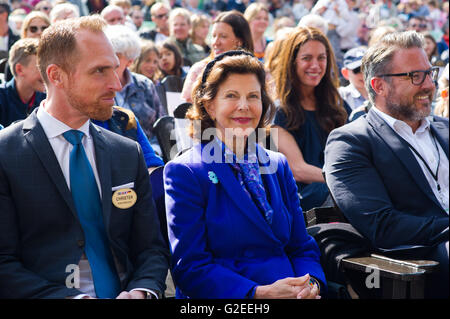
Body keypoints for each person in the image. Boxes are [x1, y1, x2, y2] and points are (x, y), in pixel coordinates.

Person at [0, 15, 169, 299]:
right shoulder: (7, 153)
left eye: (115, 69)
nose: (116, 84)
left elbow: (151, 249)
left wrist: (141, 291)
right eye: (99, 71)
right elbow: (4, 264)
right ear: (56, 76)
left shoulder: (127, 152)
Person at [164, 51, 326, 299]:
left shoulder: (278, 164)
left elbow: (301, 246)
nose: (244, 106)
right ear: (209, 105)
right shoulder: (185, 171)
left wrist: (311, 285)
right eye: (231, 96)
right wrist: (258, 294)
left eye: (253, 96)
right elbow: (190, 267)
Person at [323, 31, 448, 298]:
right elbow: (383, 226)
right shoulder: (351, 141)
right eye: (415, 76)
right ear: (379, 86)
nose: (428, 85)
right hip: (420, 263)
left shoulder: (445, 129)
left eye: (430, 73)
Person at [272, 27, 347, 212]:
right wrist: (344, 179)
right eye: (307, 58)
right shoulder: (279, 111)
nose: (315, 65)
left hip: (338, 187)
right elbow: (298, 170)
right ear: (292, 63)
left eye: (321, 58)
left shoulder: (336, 105)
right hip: (304, 198)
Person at [104, 24, 166, 147]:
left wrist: (155, 152)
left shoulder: (145, 85)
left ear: (130, 61)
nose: (110, 59)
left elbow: (161, 125)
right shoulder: (98, 86)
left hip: (148, 152)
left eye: (116, 55)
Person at [181, 10, 253, 102]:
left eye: (223, 36)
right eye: (213, 36)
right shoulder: (199, 70)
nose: (215, 42)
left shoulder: (257, 72)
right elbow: (185, 110)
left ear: (239, 41)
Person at [0, 38, 45, 128]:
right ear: (19, 69)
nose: (46, 73)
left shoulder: (45, 100)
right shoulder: (2, 97)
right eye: (40, 67)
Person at [338, 46, 368, 113]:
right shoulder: (341, 95)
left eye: (367, 68)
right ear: (345, 73)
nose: (364, 74)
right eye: (357, 70)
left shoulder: (382, 94)